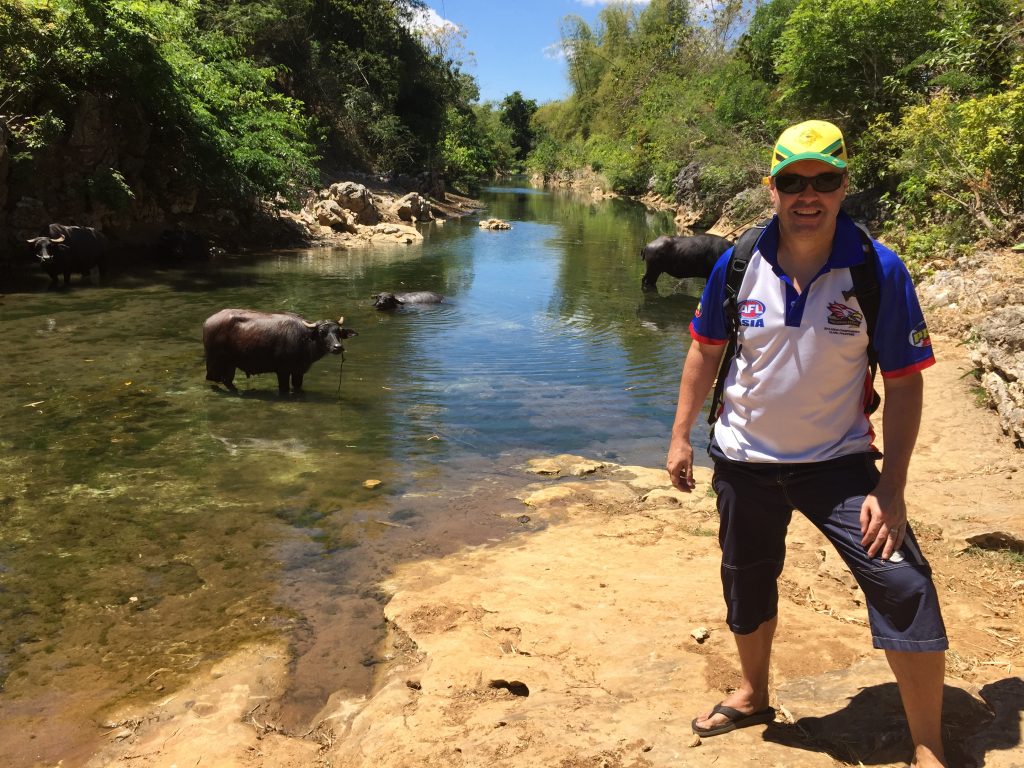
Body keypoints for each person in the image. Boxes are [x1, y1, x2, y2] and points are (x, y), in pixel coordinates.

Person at [666, 119, 948, 768]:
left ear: (845, 185)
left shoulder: (878, 269)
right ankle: (753, 693)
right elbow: (705, 351)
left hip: (840, 466)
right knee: (746, 581)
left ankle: (929, 747)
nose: (807, 193)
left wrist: (893, 487)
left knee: (905, 584)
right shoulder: (738, 262)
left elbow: (904, 385)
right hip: (742, 460)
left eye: (824, 179)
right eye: (792, 180)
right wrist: (681, 436)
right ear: (772, 188)